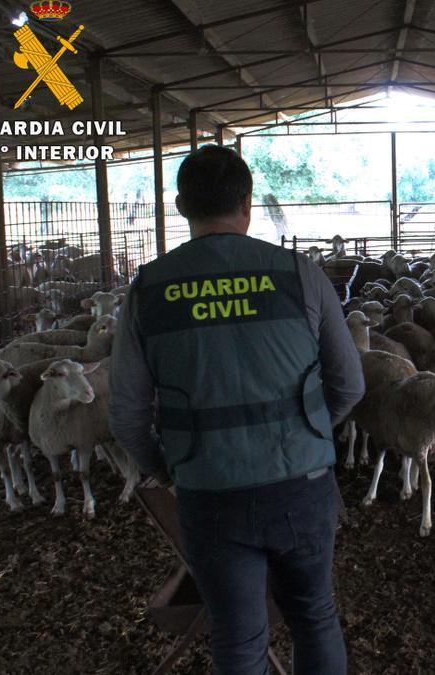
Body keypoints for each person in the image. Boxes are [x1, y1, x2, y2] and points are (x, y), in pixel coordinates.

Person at [109, 145, 364, 675]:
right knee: (315, 618)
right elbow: (349, 385)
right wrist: (309, 433)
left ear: (181, 207)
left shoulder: (149, 289)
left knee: (238, 636)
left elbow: (127, 415)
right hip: (301, 483)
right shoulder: (300, 274)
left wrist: (167, 467)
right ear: (247, 203)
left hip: (208, 491)